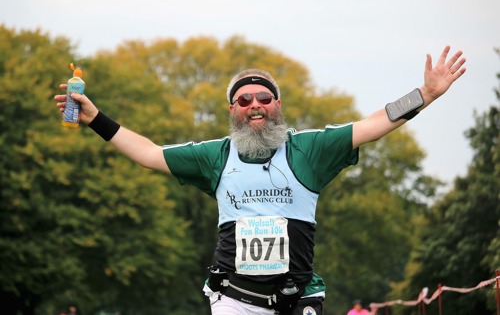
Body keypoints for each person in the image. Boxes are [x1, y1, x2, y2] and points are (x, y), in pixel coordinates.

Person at [54, 46, 466, 315]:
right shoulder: (214, 155)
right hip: (235, 300)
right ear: (232, 109)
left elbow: (375, 124)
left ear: (277, 105)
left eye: (264, 99)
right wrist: (94, 120)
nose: (255, 106)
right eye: (244, 100)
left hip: (298, 297)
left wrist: (424, 95)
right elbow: (147, 153)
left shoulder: (310, 149)